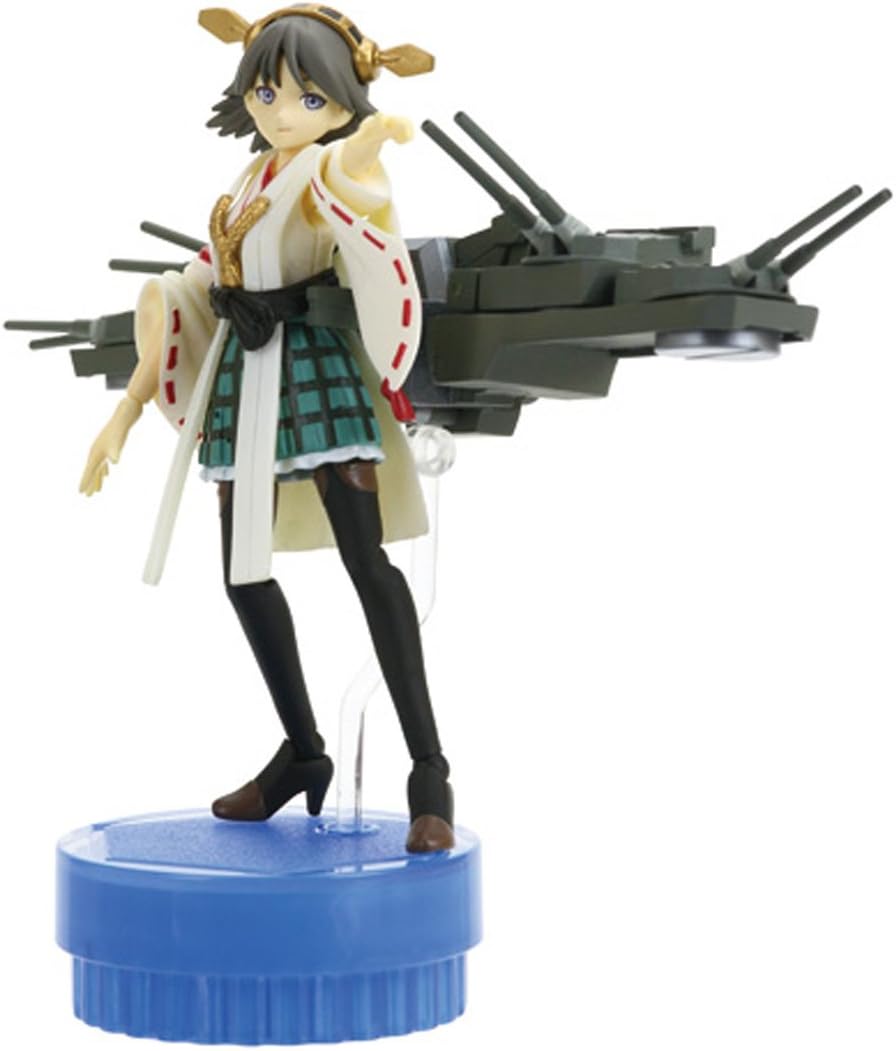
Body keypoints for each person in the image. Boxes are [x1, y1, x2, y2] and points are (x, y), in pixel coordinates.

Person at [78, 4, 454, 854]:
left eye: (309, 98)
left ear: (342, 101)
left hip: (311, 365)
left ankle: (429, 772)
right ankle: (303, 751)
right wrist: (125, 411)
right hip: (247, 378)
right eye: (268, 93)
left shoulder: (322, 164)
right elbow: (196, 288)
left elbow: (350, 179)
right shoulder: (248, 182)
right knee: (243, 576)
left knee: (367, 564)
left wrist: (373, 137)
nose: (283, 112)